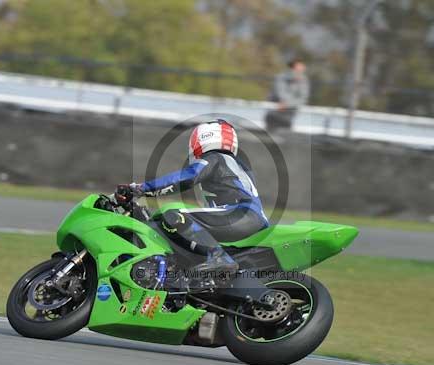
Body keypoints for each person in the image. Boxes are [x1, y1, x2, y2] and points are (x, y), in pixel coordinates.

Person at [116, 119, 269, 284]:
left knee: (174, 216)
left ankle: (218, 258)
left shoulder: (216, 157)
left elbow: (186, 178)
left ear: (203, 137)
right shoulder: (233, 163)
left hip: (240, 213)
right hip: (246, 217)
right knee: (177, 229)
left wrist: (141, 188)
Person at [265, 58, 310, 132]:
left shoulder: (304, 81)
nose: (300, 72)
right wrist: (286, 103)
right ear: (291, 69)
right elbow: (280, 93)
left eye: (302, 70)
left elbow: (303, 99)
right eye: (298, 69)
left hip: (289, 117)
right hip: (273, 115)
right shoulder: (280, 77)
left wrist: (287, 105)